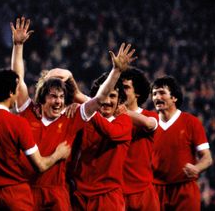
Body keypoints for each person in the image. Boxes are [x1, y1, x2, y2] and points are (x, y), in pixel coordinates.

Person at [10, 16, 137, 210]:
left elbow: (100, 98)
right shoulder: (28, 112)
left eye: (62, 97)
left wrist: (116, 72)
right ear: (43, 97)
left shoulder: (72, 116)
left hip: (56, 192)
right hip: (27, 189)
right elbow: (17, 81)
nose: (59, 101)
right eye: (54, 96)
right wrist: (18, 46)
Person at [0, 68, 71, 210]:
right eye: (16, 90)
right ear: (10, 93)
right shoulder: (16, 123)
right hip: (11, 193)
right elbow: (40, 165)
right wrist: (58, 154)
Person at [67, 73, 132, 211]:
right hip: (79, 194)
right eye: (103, 96)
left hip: (108, 196)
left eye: (113, 96)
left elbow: (111, 133)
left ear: (120, 100)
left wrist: (86, 108)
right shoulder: (84, 120)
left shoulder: (124, 122)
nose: (107, 101)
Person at [151, 76, 213, 211]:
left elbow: (207, 158)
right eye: (154, 93)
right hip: (155, 190)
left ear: (174, 98)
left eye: (162, 92)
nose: (156, 97)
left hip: (184, 189)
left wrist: (197, 168)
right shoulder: (149, 123)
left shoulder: (191, 122)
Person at [120, 68, 160, 211]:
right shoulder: (110, 118)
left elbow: (149, 124)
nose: (120, 91)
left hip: (144, 192)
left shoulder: (151, 117)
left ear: (137, 92)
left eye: (125, 87)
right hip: (118, 193)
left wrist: (117, 109)